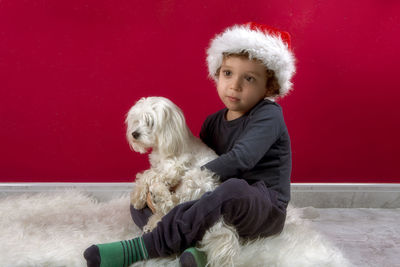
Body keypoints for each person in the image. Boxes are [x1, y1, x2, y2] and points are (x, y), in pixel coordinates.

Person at [83, 21, 296, 267]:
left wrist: (189, 180)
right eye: (228, 73)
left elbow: (241, 159)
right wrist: (171, 188)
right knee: (140, 204)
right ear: (216, 73)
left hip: (260, 205)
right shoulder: (213, 122)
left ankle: (145, 246)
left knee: (233, 190)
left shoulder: (268, 114)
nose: (234, 85)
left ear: (269, 87)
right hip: (214, 201)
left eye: (248, 78)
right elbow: (200, 162)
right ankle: (200, 247)